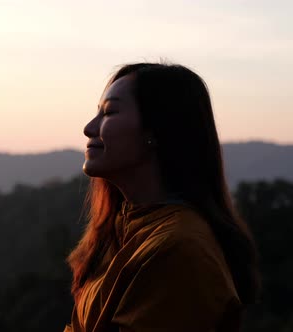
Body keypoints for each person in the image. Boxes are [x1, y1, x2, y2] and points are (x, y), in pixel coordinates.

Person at [63, 62, 261, 332]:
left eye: (108, 112)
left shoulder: (180, 249)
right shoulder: (119, 230)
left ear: (155, 131)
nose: (89, 128)